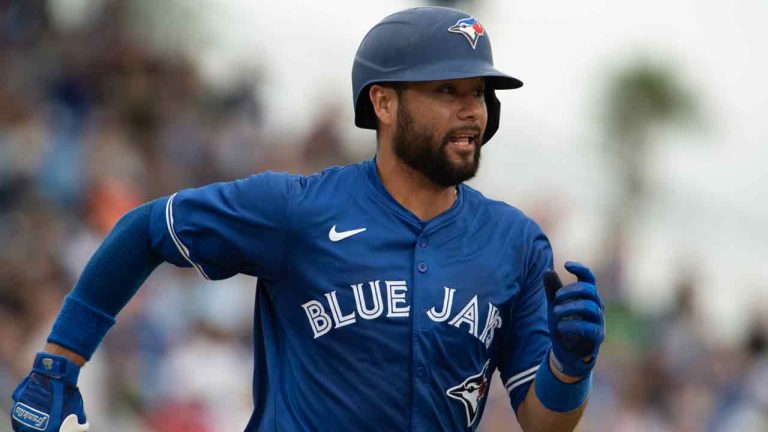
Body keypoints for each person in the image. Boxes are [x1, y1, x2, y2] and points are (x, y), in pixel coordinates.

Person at [10, 6, 605, 432]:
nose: (471, 111)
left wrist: (571, 365)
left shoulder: (516, 242)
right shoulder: (297, 208)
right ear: (384, 102)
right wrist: (60, 359)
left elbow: (544, 421)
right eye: (447, 90)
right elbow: (144, 231)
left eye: (478, 93)